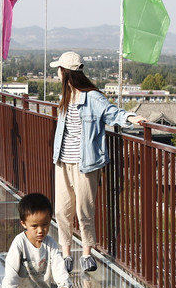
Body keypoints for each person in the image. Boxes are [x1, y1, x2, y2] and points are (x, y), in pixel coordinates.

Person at [50, 51, 146, 273]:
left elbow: (113, 113)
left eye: (59, 69)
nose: (57, 73)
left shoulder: (92, 98)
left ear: (66, 73)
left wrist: (132, 118)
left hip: (86, 163)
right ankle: (66, 254)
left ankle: (86, 253)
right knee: (62, 210)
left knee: (84, 209)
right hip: (63, 161)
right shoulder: (65, 97)